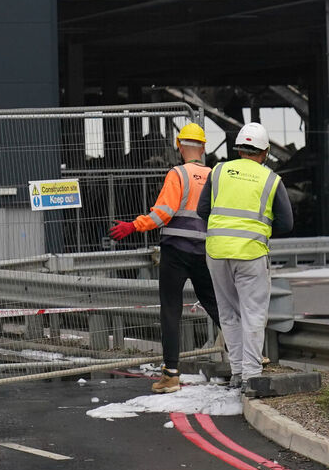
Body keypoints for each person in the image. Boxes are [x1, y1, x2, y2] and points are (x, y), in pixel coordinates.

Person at [109, 122, 220, 393]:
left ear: (180, 146)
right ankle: (251, 357)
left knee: (170, 310)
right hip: (205, 251)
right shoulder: (217, 176)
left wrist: (134, 226)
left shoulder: (177, 174)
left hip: (176, 252)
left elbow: (163, 213)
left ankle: (171, 375)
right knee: (217, 306)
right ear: (204, 147)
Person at [197, 121, 292, 391]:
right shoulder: (271, 179)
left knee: (228, 314)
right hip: (250, 253)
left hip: (216, 252)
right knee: (253, 314)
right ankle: (251, 376)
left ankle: (237, 371)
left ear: (239, 149)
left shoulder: (218, 171)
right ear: (265, 152)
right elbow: (286, 224)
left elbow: (203, 211)